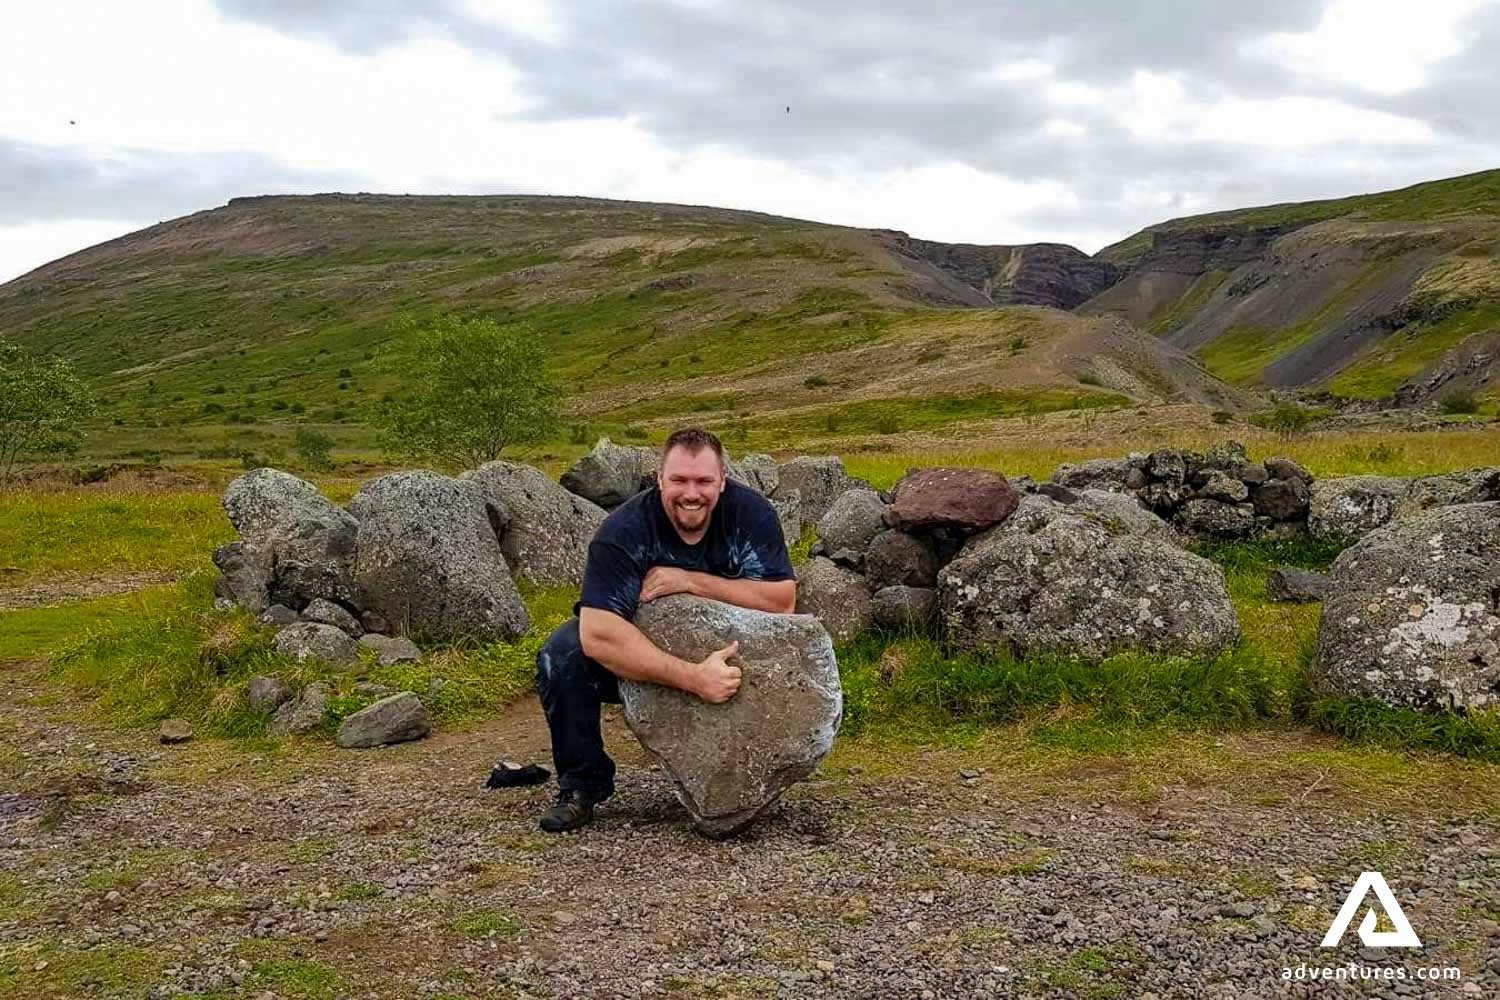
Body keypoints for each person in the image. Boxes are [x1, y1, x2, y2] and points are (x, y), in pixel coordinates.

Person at [534, 428, 797, 832]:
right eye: (679, 480)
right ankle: (582, 784)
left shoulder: (752, 513)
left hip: (736, 650)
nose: (691, 492)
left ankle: (749, 778)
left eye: (704, 481)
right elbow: (598, 633)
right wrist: (693, 678)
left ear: (722, 480)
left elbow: (782, 602)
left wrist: (691, 580)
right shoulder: (622, 530)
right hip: (644, 651)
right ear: (659, 479)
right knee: (562, 654)